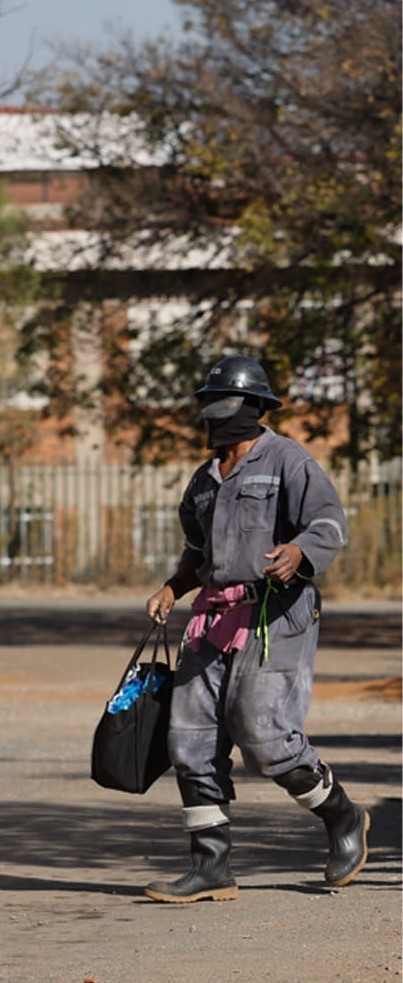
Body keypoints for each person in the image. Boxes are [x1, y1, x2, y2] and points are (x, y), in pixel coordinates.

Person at [140, 355, 366, 903]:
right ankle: (211, 866)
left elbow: (330, 521)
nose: (216, 418)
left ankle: (343, 817)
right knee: (187, 738)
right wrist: (174, 586)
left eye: (227, 406)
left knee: (265, 737)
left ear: (255, 408)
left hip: (277, 613)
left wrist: (299, 550)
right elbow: (199, 551)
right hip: (213, 617)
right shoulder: (203, 479)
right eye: (209, 407)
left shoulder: (287, 460)